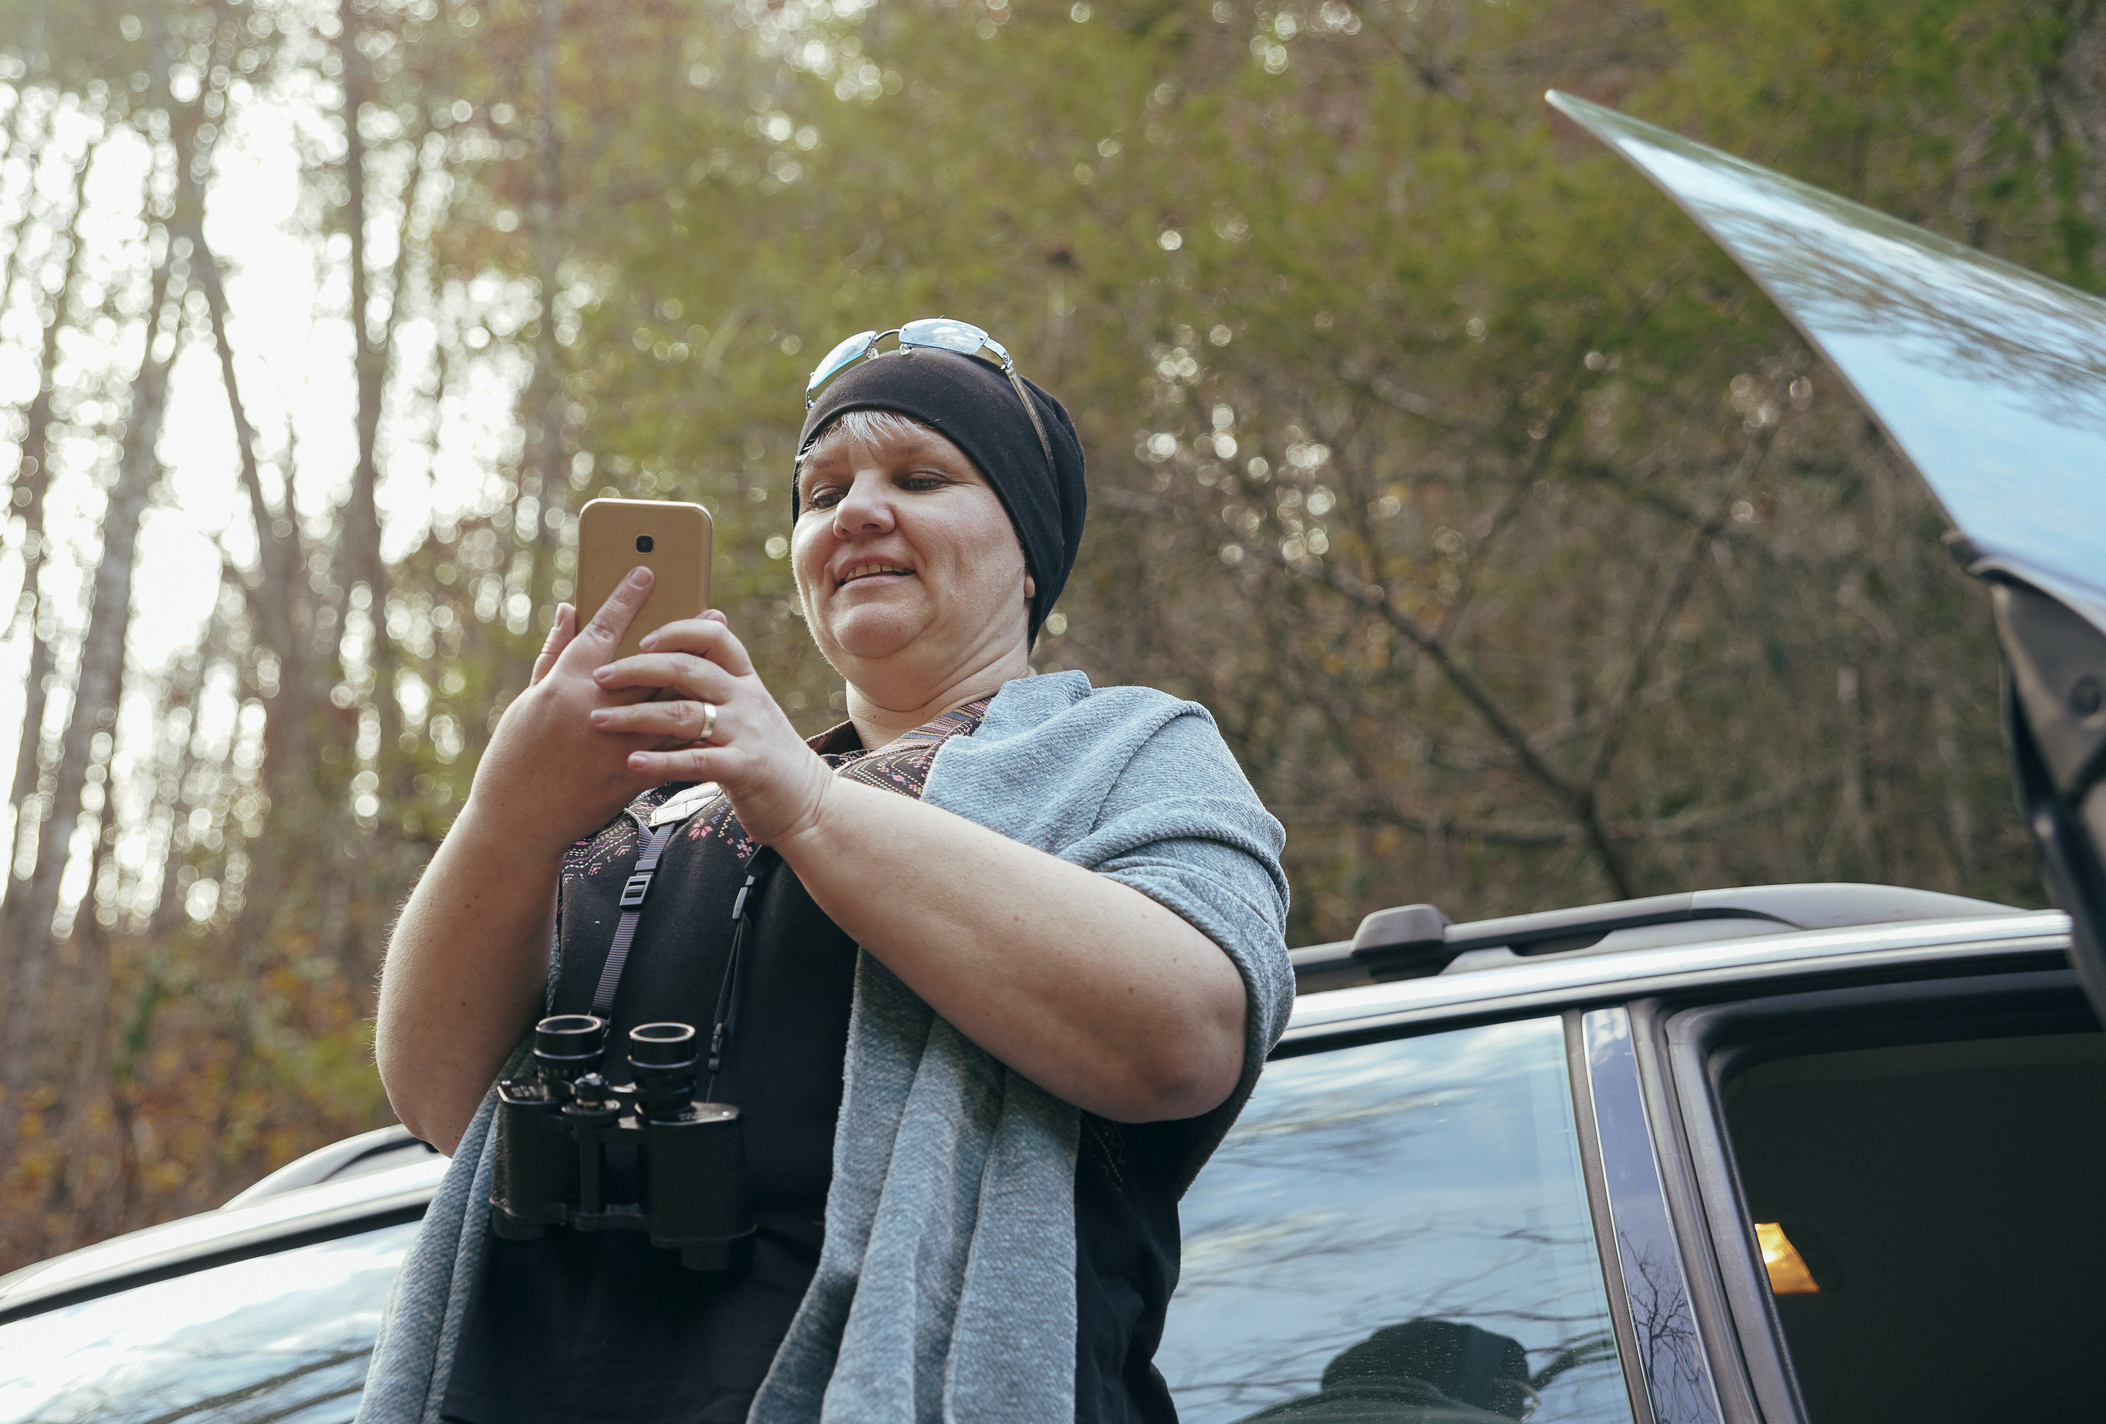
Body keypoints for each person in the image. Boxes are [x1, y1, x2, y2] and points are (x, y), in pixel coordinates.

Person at [358, 321, 1292, 1424]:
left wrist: (803, 801)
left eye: (922, 476)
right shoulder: (669, 791)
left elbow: (1184, 1035)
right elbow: (433, 1093)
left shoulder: (1127, 750)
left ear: (1030, 546)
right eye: (821, 491)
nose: (854, 511)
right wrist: (505, 823)